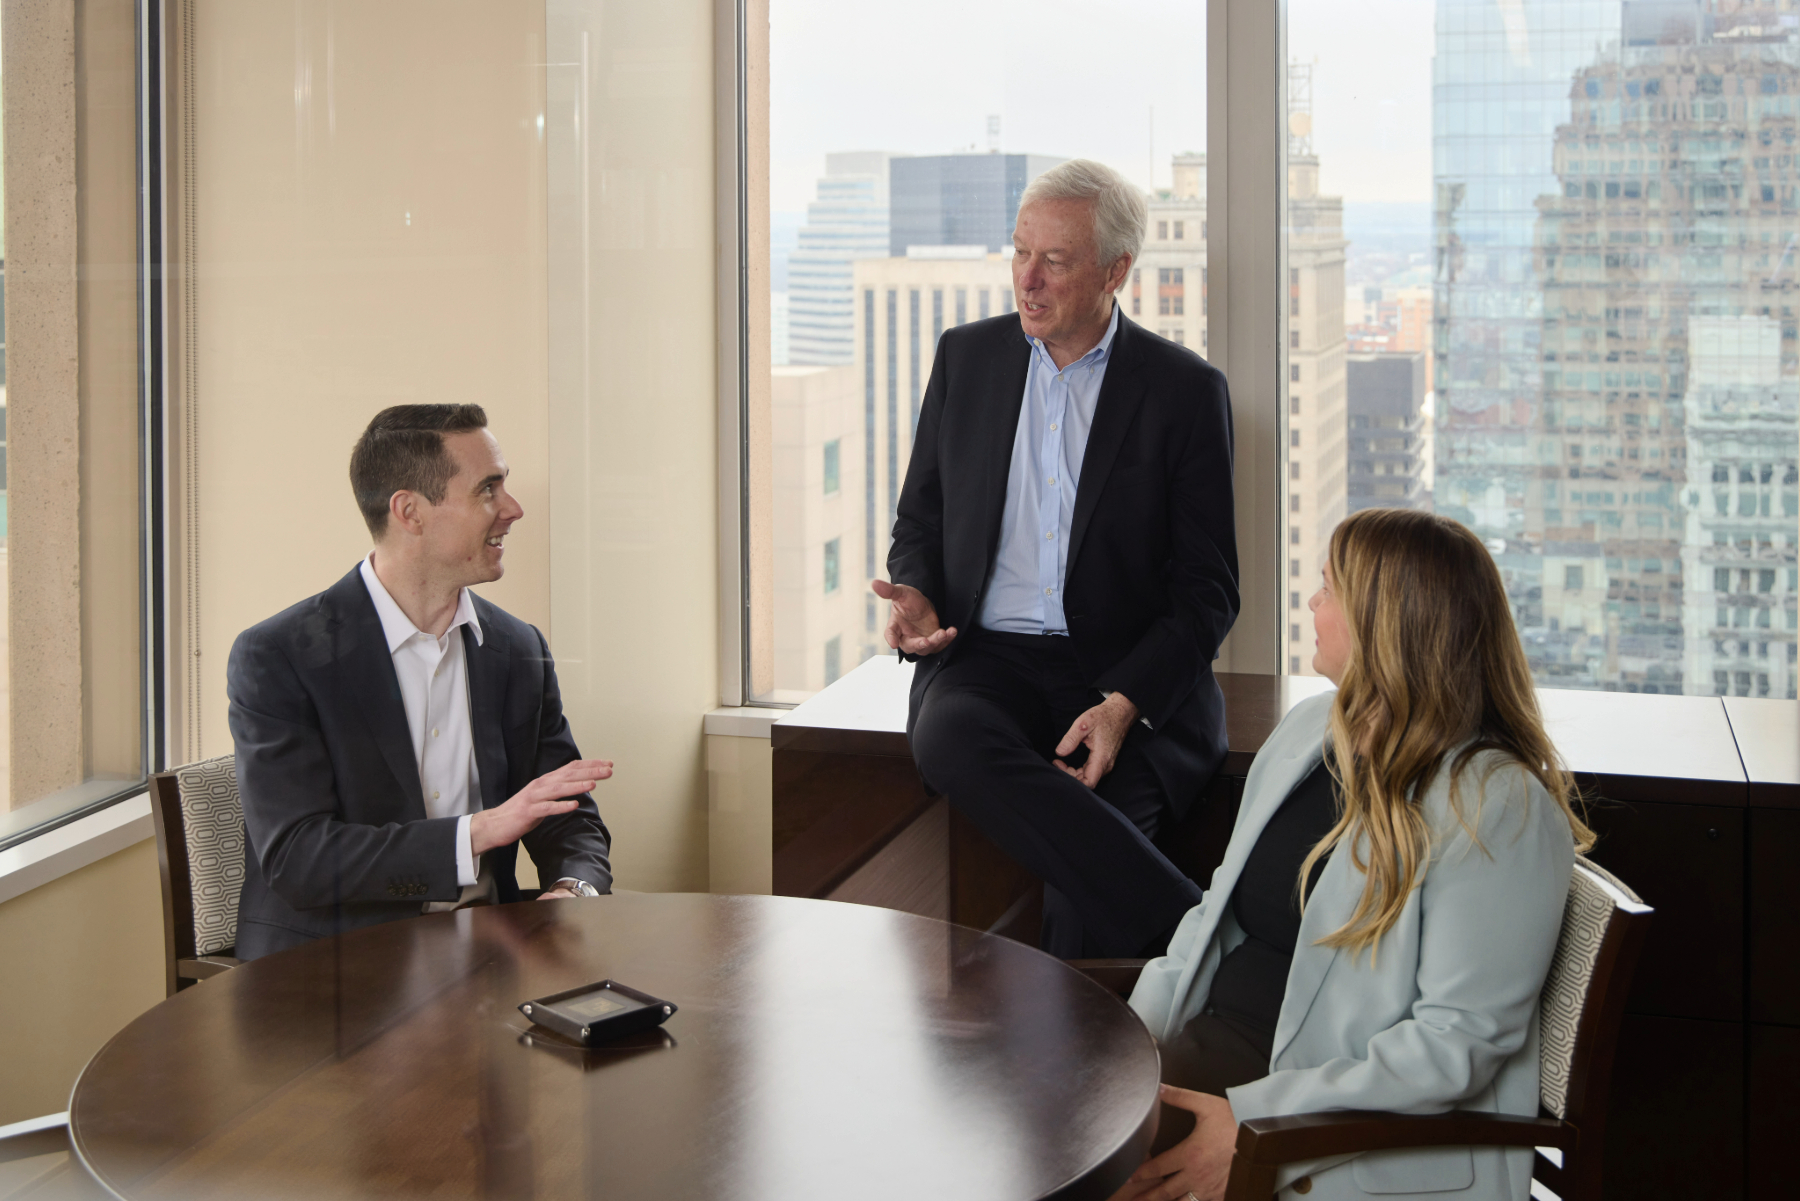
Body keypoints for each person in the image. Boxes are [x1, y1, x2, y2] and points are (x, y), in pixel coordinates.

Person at [1113, 508, 1594, 1201]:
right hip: (1211, 1073)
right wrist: (1123, 1053)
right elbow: (1209, 918)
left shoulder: (1497, 804)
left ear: (1385, 620)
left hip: (1326, 1133)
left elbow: (1453, 1046)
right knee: (1035, 1126)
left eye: (1330, 588)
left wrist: (1256, 1126)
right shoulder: (1310, 729)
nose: (1313, 602)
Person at [878, 158, 1239, 959]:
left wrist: (1122, 706)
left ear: (1117, 271)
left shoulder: (1183, 392)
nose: (1028, 281)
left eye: (1056, 260)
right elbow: (921, 520)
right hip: (989, 664)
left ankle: (1071, 1081)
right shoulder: (967, 359)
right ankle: (1211, 942)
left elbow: (1209, 592)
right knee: (948, 739)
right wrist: (923, 597)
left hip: (1123, 675)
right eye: (1018, 253)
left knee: (1087, 911)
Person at [228, 405, 614, 961]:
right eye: (488, 489)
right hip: (330, 980)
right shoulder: (279, 656)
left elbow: (566, 815)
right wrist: (478, 832)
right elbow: (299, 859)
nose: (513, 509)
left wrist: (572, 888)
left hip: (488, 969)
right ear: (410, 511)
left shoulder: (517, 648)